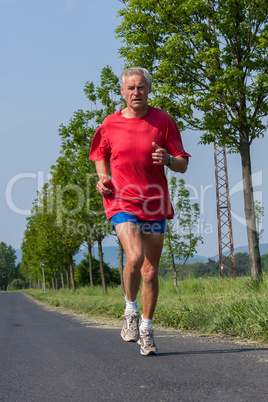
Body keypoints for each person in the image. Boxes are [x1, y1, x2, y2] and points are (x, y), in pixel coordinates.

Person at [89, 67, 190, 355]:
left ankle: (146, 329)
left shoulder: (163, 121)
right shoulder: (109, 124)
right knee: (134, 256)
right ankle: (130, 310)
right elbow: (99, 154)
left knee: (149, 271)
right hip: (121, 199)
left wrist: (169, 159)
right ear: (122, 91)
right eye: (131, 88)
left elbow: (183, 163)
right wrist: (103, 177)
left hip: (155, 201)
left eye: (142, 87)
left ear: (149, 89)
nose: (136, 92)